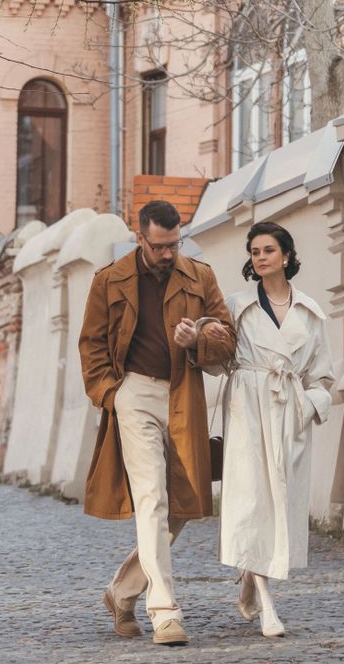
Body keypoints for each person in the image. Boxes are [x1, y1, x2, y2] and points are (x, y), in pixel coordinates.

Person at [78, 200, 236, 646]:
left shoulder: (200, 276)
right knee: (152, 497)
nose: (169, 253)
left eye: (175, 244)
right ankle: (164, 610)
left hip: (184, 392)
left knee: (182, 504)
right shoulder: (109, 280)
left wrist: (199, 337)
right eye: (161, 245)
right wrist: (113, 393)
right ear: (140, 237)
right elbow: (90, 345)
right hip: (134, 394)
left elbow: (226, 338)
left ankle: (122, 592)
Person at [216, 221, 334, 638]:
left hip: (289, 412)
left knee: (280, 503)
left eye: (268, 250)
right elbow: (215, 361)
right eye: (254, 251)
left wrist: (308, 407)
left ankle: (250, 576)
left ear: (285, 256)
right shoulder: (236, 306)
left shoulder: (310, 312)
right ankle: (268, 607)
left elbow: (323, 376)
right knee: (252, 500)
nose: (260, 257)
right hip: (247, 406)